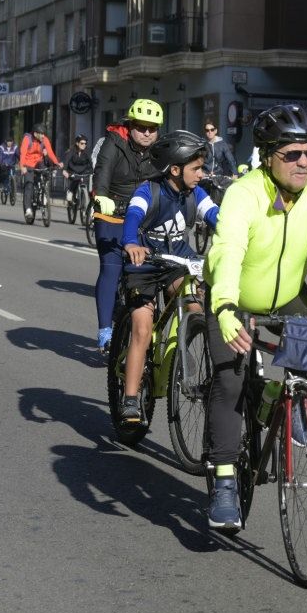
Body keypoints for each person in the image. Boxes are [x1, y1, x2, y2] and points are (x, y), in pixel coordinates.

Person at [203, 104, 307, 531]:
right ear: (268, 155)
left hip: (287, 295)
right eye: (293, 154)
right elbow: (228, 252)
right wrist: (222, 308)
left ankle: (285, 400)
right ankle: (223, 480)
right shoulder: (244, 192)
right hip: (234, 293)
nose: (304, 163)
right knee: (230, 378)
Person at [117, 130, 220, 426]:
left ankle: (182, 364)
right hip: (145, 263)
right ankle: (131, 399)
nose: (201, 174)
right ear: (175, 170)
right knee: (142, 327)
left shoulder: (195, 193)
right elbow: (133, 217)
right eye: (196, 168)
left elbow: (216, 217)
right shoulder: (148, 191)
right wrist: (131, 244)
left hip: (177, 259)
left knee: (196, 306)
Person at [91, 99, 163, 350]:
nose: (146, 133)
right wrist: (101, 197)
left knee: (156, 269)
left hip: (143, 216)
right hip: (113, 212)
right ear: (130, 126)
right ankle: (105, 332)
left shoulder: (160, 150)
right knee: (111, 269)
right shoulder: (113, 142)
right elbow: (102, 172)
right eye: (141, 127)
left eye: (152, 128)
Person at [18, 123, 63, 223]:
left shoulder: (44, 140)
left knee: (46, 172)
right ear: (35, 134)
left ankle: (44, 192)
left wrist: (57, 162)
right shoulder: (27, 139)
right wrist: (22, 167)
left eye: (44, 134)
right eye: (41, 134)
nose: (43, 136)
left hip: (39, 162)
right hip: (28, 164)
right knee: (29, 184)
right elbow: (23, 153)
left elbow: (50, 152)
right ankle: (28, 209)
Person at [62, 134, 93, 204]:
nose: (84, 145)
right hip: (73, 170)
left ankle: (85, 201)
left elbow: (91, 161)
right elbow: (66, 160)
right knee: (74, 179)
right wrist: (64, 170)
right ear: (77, 143)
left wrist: (95, 170)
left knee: (87, 181)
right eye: (82, 143)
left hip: (83, 171)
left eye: (85, 143)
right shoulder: (72, 151)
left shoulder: (87, 151)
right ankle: (70, 191)